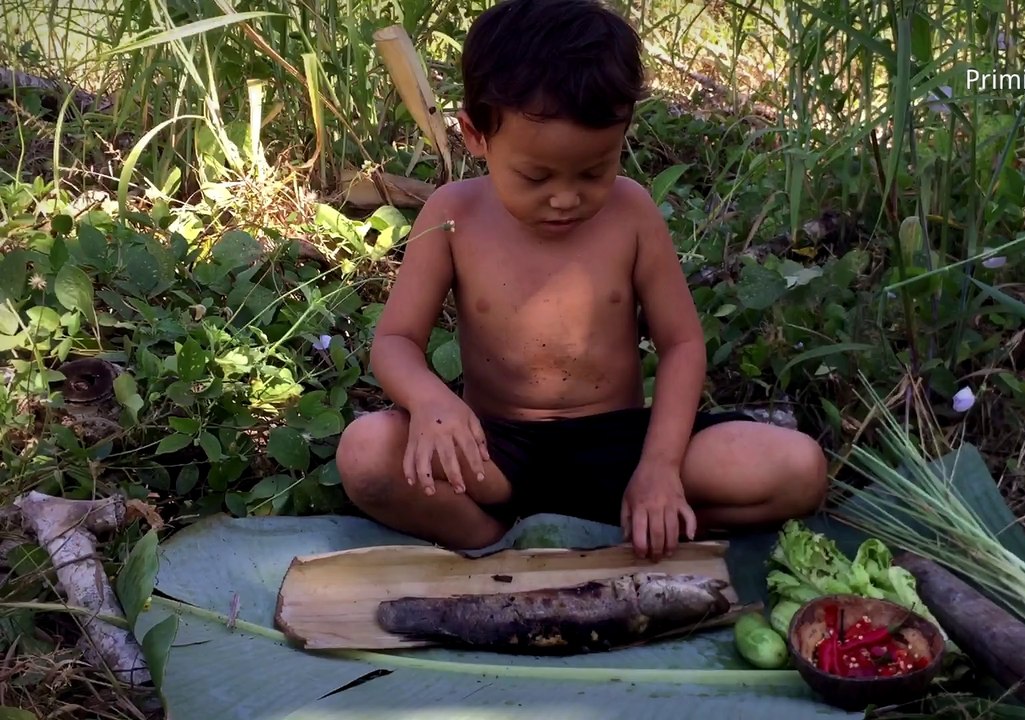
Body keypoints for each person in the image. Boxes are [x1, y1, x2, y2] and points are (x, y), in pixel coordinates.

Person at [335, 0, 828, 560]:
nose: (566, 198)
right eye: (536, 176)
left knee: (799, 468)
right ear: (475, 135)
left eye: (595, 171)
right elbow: (396, 341)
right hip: (495, 451)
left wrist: (660, 466)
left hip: (623, 447)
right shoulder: (453, 214)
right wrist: (430, 401)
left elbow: (682, 344)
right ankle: (491, 539)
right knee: (367, 455)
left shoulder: (631, 213)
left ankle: (644, 518)